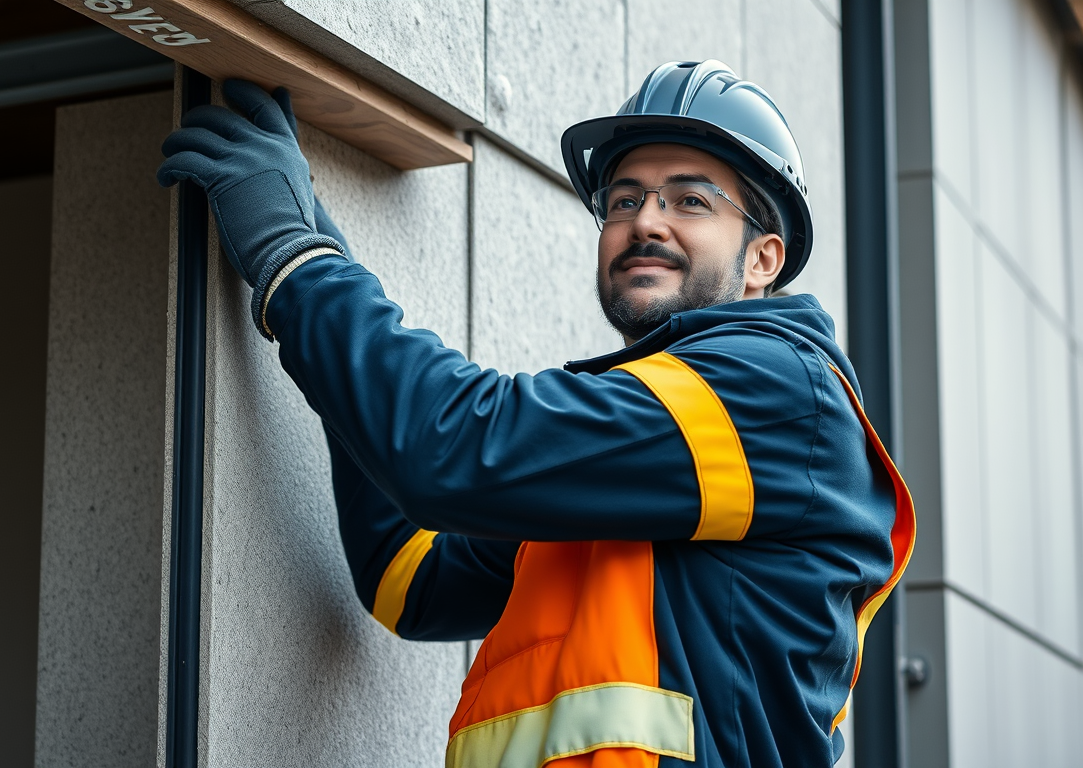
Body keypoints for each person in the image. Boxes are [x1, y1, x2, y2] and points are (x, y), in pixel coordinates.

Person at [157, 60, 915, 768]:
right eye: (624, 200)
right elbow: (409, 576)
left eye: (690, 199)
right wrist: (332, 305)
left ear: (762, 260)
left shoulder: (772, 392)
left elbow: (452, 448)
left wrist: (301, 266)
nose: (646, 221)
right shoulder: (644, 469)